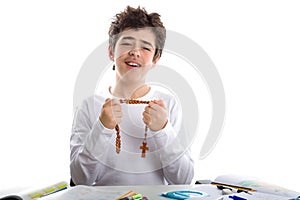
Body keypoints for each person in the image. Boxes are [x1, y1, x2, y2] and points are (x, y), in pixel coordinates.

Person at [70, 5, 194, 186]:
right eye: (127, 43)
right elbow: (80, 179)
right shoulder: (89, 106)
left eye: (145, 47)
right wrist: (102, 127)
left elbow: (183, 179)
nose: (135, 52)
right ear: (111, 51)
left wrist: (163, 129)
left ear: (155, 59)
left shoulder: (169, 105)